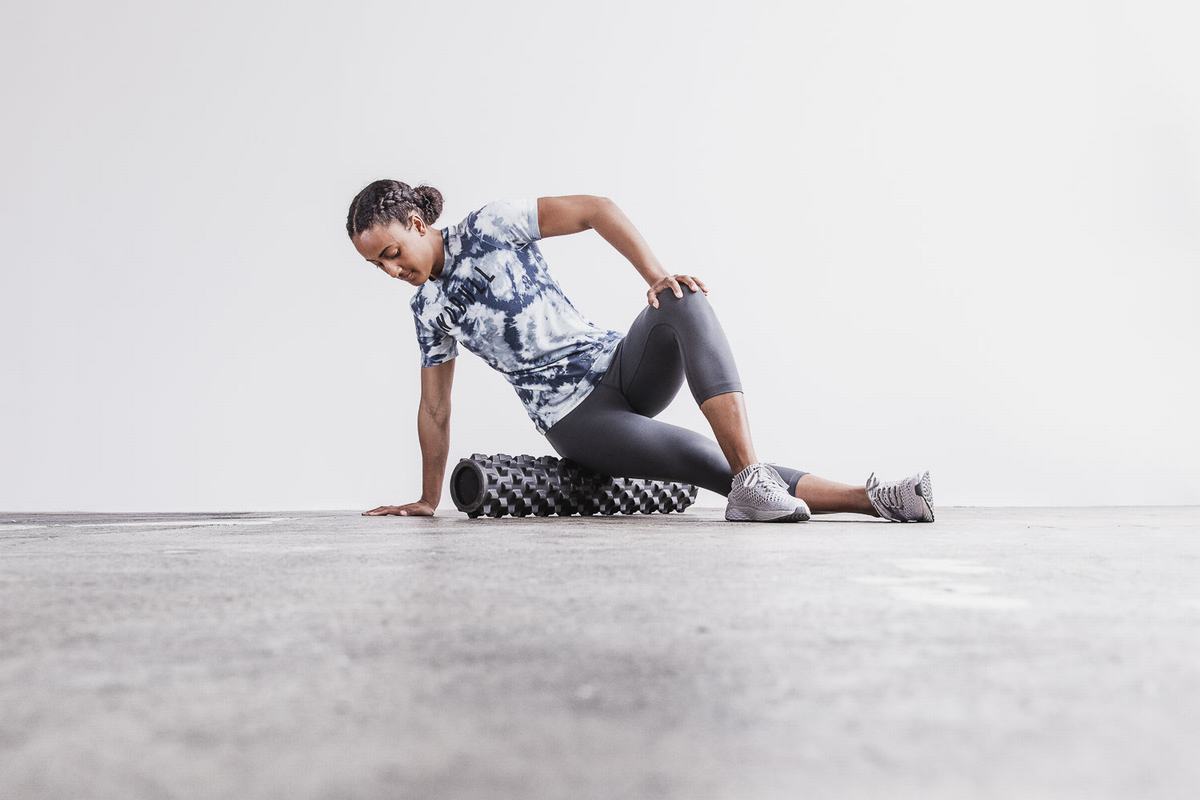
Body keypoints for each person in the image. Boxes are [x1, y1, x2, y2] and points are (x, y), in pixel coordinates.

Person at [345, 180, 934, 523]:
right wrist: (427, 496)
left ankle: (753, 478)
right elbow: (435, 410)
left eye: (391, 253)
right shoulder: (430, 312)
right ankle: (876, 498)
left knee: (683, 297)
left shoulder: (493, 225)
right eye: (378, 266)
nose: (392, 270)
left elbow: (597, 210)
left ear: (418, 224)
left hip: (620, 364)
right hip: (578, 419)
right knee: (706, 461)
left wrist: (653, 276)